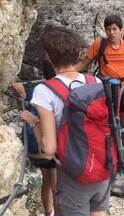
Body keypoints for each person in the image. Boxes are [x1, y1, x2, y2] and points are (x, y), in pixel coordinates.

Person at [22, 26, 113, 216]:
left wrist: (33, 122)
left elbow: (49, 149)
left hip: (74, 176)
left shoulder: (44, 91)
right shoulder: (94, 83)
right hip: (102, 169)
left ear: (48, 55)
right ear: (78, 53)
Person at [11, 61, 57, 216]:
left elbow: (27, 108)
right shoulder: (58, 90)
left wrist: (23, 95)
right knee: (56, 185)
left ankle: (48, 212)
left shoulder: (36, 90)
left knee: (47, 180)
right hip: (49, 144)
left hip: (35, 147)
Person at [76, 15, 124, 86]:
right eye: (108, 29)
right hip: (105, 82)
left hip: (123, 83)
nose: (111, 33)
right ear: (105, 30)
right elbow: (83, 63)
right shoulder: (99, 44)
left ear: (120, 30)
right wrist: (67, 72)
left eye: (114, 29)